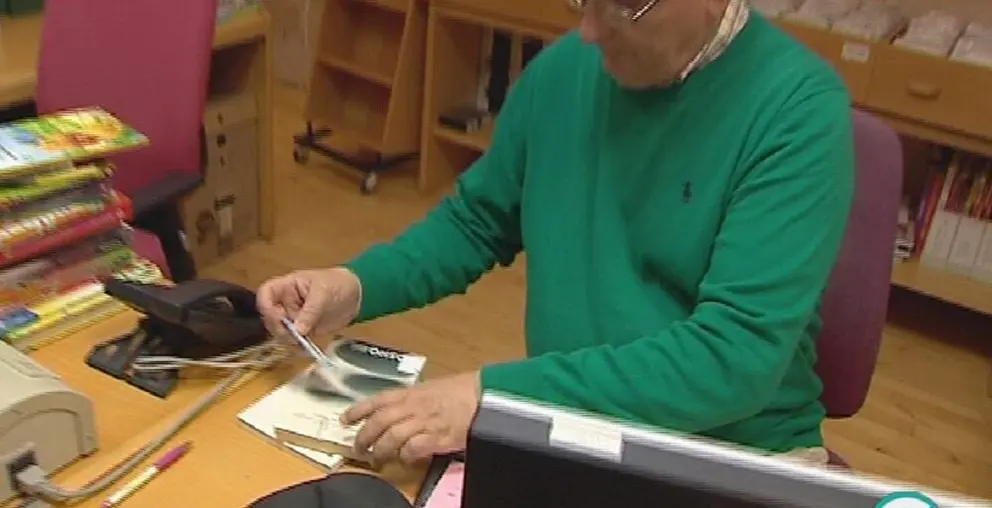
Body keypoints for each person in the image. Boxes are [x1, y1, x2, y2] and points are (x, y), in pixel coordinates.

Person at [257, 0, 854, 468]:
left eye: (624, 4)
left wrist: (493, 396)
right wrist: (356, 286)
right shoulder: (564, 72)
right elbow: (475, 222)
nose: (589, 31)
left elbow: (731, 359)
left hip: (732, 456)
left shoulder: (798, 110)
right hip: (573, 427)